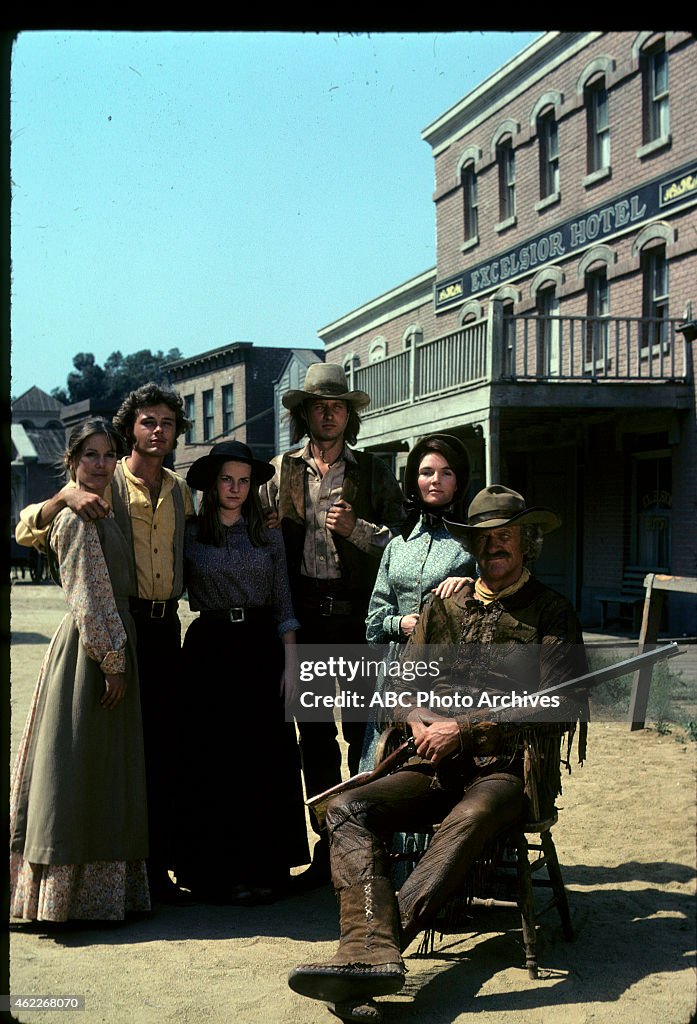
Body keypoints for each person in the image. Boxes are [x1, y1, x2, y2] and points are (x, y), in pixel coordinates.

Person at [288, 484, 589, 1021]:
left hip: (506, 771)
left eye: (506, 538)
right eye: (485, 539)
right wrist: (418, 718)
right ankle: (368, 949)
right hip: (432, 763)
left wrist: (466, 729)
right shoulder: (443, 605)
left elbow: (558, 703)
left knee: (470, 816)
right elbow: (402, 685)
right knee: (343, 808)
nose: (494, 547)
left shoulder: (552, 612)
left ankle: (377, 949)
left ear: (526, 544)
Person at [15, 383, 195, 905]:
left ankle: (156, 872)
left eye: (166, 422)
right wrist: (60, 497)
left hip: (165, 628)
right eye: (147, 422)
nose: (157, 431)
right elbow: (28, 529)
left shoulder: (181, 491)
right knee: (120, 753)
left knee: (162, 752)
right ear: (130, 430)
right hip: (122, 622)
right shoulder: (102, 481)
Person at [261, 363, 406, 888]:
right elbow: (247, 525)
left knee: (364, 736)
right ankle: (329, 850)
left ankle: (367, 845)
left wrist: (358, 530)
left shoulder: (372, 471)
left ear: (350, 414)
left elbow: (404, 544)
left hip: (358, 623)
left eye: (338, 405)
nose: (329, 413)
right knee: (317, 741)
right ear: (305, 414)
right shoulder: (280, 471)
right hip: (307, 622)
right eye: (320, 406)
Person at [10, 419, 149, 922]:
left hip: (112, 640)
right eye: (90, 455)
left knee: (104, 768)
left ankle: (102, 894)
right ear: (71, 463)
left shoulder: (105, 507)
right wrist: (111, 662)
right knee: (78, 765)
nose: (101, 464)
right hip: (93, 650)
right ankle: (65, 897)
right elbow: (89, 598)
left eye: (109, 455)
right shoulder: (76, 515)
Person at [173, 441, 309, 904]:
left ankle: (265, 869)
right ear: (213, 484)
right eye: (227, 480)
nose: (235, 488)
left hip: (259, 649)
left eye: (244, 481)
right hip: (209, 650)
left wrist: (292, 664)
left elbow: (284, 602)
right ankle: (213, 873)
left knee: (261, 759)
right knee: (212, 761)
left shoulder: (267, 533)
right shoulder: (190, 533)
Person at [362, 433, 476, 772]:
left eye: (446, 473)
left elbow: (500, 598)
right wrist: (400, 624)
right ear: (414, 479)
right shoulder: (397, 546)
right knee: (384, 765)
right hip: (396, 674)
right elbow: (372, 623)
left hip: (449, 676)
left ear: (459, 482)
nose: (435, 481)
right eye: (427, 472)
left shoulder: (471, 542)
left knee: (434, 773)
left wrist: (472, 582)